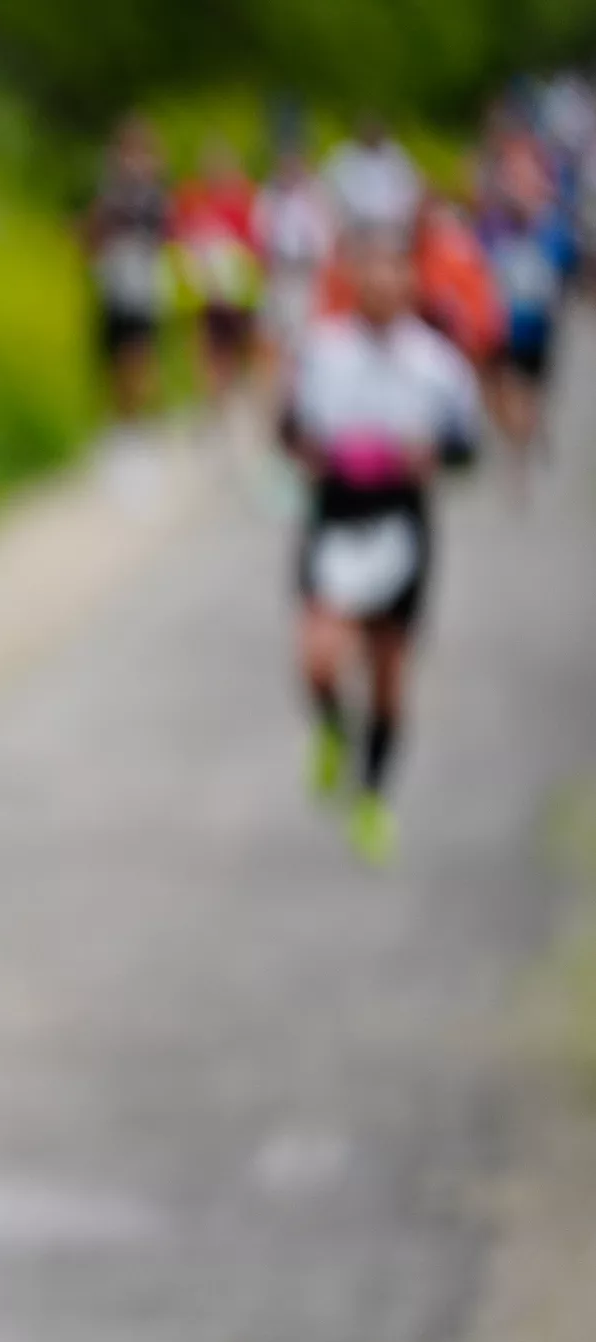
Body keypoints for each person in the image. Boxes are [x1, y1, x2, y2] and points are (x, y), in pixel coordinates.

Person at [280, 224, 481, 864]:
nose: (380, 285)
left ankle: (372, 798)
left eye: (394, 273)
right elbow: (287, 426)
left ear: (410, 282)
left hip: (401, 520)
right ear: (352, 280)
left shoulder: (436, 363)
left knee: (389, 672)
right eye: (368, 272)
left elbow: (466, 445)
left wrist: (436, 456)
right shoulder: (323, 350)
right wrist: (303, 450)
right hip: (336, 515)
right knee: (318, 655)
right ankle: (333, 728)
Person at [477, 127, 570, 462]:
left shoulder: (543, 242)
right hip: (516, 328)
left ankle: (530, 431)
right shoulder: (507, 246)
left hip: (532, 327)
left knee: (531, 388)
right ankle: (525, 437)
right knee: (521, 387)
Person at [85, 115, 174, 420]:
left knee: (139, 347)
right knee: (113, 348)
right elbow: (96, 229)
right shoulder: (110, 187)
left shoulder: (153, 191)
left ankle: (139, 411)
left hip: (141, 277)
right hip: (115, 274)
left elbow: (163, 231)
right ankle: (121, 411)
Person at [174, 138, 265, 400]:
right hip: (204, 286)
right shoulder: (192, 196)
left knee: (238, 342)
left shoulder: (244, 197)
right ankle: (211, 396)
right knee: (207, 342)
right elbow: (180, 236)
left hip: (235, 287)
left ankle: (235, 391)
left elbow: (254, 241)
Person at [256, 132, 338, 369]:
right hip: (277, 271)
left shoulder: (316, 195)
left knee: (302, 334)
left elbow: (325, 235)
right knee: (272, 331)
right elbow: (262, 230)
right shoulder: (270, 194)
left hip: (305, 273)